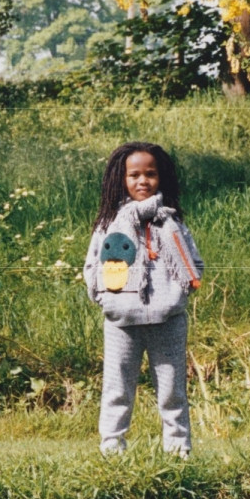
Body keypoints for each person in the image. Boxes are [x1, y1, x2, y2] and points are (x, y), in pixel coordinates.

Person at [83, 142, 204, 456]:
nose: (142, 181)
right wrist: (108, 302)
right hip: (122, 323)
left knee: (172, 391)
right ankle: (112, 450)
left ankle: (178, 452)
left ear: (161, 177)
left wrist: (177, 297)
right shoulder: (110, 225)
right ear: (120, 179)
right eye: (134, 175)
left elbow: (194, 264)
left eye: (150, 174)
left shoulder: (172, 222)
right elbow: (92, 268)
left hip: (168, 322)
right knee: (117, 389)